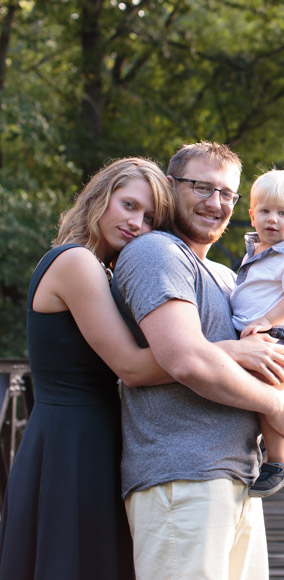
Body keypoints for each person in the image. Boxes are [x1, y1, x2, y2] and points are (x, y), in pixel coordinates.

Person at [110, 141, 284, 580]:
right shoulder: (155, 251)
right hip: (183, 480)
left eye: (228, 194)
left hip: (239, 479)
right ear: (170, 186)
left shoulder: (228, 276)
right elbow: (186, 362)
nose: (216, 203)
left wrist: (282, 366)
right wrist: (276, 404)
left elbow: (265, 354)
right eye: (201, 187)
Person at [0, 157, 177, 580]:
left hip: (87, 435)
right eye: (129, 205)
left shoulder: (100, 268)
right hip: (71, 443)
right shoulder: (76, 262)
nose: (137, 223)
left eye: (150, 218)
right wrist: (219, 354)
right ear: (101, 197)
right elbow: (131, 367)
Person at [231, 169, 284, 498]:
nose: (272, 219)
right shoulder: (257, 253)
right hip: (261, 331)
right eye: (265, 211)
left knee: (267, 393)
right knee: (250, 390)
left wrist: (267, 319)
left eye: (283, 213)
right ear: (252, 215)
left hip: (279, 331)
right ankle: (259, 445)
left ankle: (279, 461)